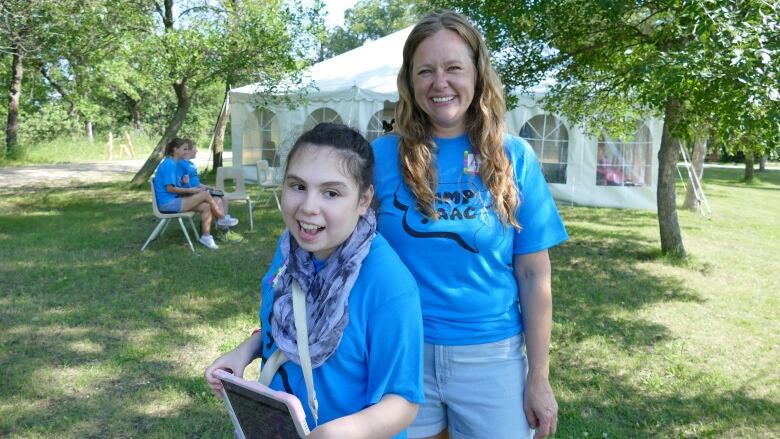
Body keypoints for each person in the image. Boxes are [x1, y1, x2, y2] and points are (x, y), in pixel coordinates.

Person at [371, 11, 569, 439]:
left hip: (492, 356)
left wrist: (538, 376)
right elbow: (341, 253)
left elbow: (535, 274)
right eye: (425, 71)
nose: (439, 82)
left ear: (477, 74)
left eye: (453, 68)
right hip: (403, 352)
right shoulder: (380, 158)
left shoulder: (513, 157)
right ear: (409, 81)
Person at [205, 123, 424, 438]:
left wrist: (336, 433)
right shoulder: (292, 246)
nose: (308, 207)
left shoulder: (389, 287)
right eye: (297, 186)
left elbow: (403, 403)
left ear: (364, 200)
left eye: (331, 193)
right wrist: (245, 350)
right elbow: (286, 324)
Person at [152, 137, 237, 250]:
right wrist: (191, 190)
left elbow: (175, 186)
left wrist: (184, 183)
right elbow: (170, 189)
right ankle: (222, 217)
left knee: (206, 206)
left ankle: (206, 237)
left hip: (175, 200)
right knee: (205, 195)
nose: (187, 152)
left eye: (187, 149)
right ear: (175, 150)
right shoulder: (170, 164)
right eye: (184, 149)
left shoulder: (173, 163)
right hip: (168, 203)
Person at [177, 142, 238, 231]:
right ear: (188, 151)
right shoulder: (180, 164)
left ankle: (222, 223)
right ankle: (222, 225)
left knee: (223, 196)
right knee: (217, 199)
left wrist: (210, 187)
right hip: (190, 194)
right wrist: (190, 186)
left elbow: (196, 183)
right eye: (195, 149)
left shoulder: (190, 164)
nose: (197, 150)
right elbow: (182, 184)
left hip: (197, 190)